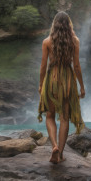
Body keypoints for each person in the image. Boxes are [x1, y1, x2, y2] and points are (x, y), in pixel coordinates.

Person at [38, 11, 85, 164]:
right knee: (64, 118)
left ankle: (54, 146)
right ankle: (61, 154)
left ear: (55, 25)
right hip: (67, 80)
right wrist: (81, 86)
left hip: (51, 79)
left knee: (50, 115)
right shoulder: (75, 41)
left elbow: (43, 66)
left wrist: (40, 84)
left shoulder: (47, 42)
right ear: (68, 25)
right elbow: (76, 66)